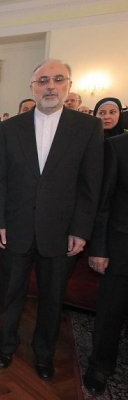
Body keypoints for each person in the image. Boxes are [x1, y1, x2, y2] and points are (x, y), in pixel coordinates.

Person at [0, 59, 104, 380]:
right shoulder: (9, 128)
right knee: (10, 294)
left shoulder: (87, 128)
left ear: (68, 85)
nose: (50, 86)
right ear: (32, 88)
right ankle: (5, 346)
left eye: (57, 79)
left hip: (61, 232)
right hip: (15, 230)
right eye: (42, 81)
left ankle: (44, 354)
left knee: (53, 299)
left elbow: (90, 184)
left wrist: (81, 230)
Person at [82, 132, 128, 395]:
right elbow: (104, 202)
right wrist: (99, 248)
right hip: (122, 247)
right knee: (111, 312)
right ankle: (100, 365)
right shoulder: (118, 147)